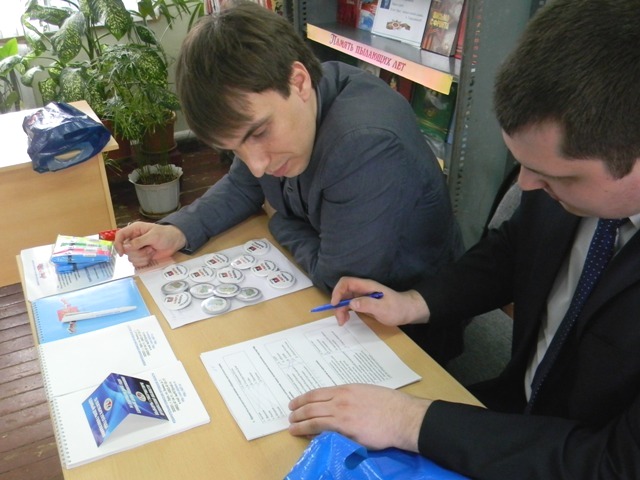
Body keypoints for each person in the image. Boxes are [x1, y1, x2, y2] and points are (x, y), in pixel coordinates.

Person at [287, 0, 640, 478]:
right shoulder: (560, 179)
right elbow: (511, 252)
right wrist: (413, 302)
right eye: (522, 165)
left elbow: (617, 463)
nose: (526, 186)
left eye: (555, 175)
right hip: (511, 416)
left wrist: (409, 420)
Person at [114, 2, 464, 362]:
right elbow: (243, 185)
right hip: (337, 300)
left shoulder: (366, 144)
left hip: (406, 332)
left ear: (298, 82)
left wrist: (279, 220)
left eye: (259, 134)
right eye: (235, 149)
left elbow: (339, 279)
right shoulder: (279, 100)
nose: (257, 166)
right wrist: (177, 231)